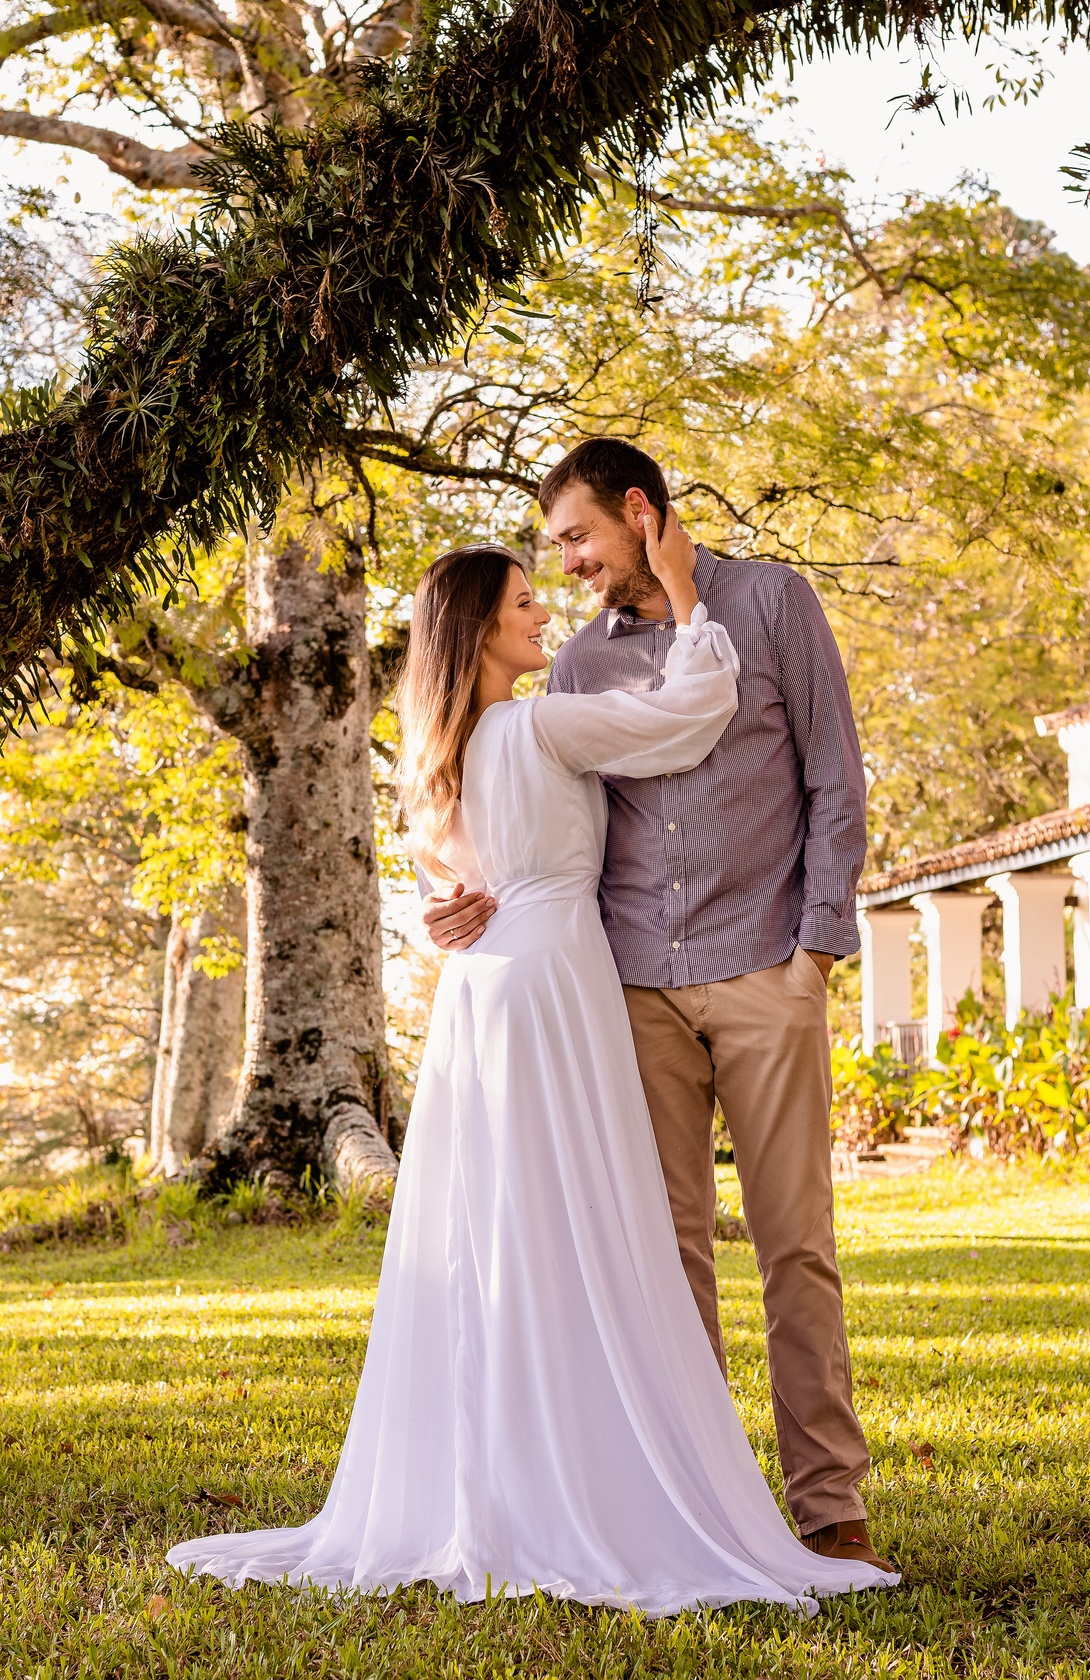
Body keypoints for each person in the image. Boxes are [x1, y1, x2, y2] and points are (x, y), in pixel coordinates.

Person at [166, 525, 898, 1611]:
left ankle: (512, 1473)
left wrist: (443, 915)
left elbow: (448, 888)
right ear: (477, 632)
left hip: (483, 997)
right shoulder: (542, 722)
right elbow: (689, 714)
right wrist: (694, 601)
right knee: (593, 1230)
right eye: (519, 604)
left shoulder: (440, 753)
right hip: (556, 983)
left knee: (504, 1233)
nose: (542, 610)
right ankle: (611, 1481)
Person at [423, 437, 890, 1574]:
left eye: (578, 537)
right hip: (628, 989)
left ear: (638, 512)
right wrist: (450, 903)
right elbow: (501, 810)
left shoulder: (774, 604)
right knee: (664, 1257)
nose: (570, 565)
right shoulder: (575, 670)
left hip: (764, 965)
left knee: (796, 1248)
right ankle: (698, 1501)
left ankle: (827, 1504)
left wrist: (816, 951)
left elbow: (835, 779)